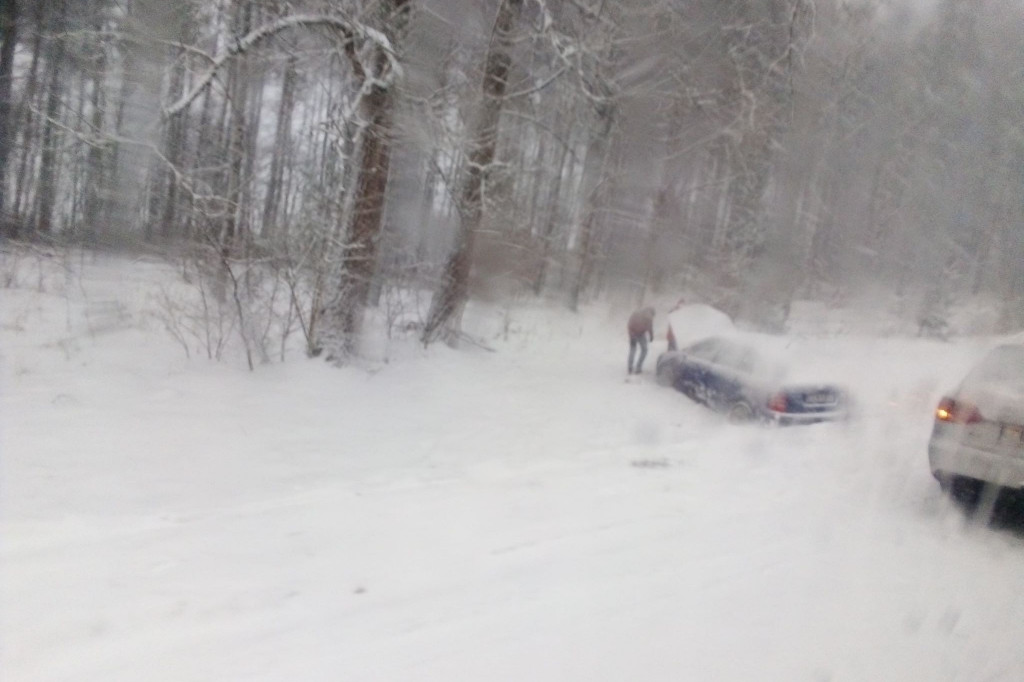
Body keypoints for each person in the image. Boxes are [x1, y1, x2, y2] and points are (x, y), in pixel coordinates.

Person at [627, 306, 655, 375]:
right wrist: (651, 336)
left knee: (633, 350)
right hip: (638, 334)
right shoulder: (648, 317)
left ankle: (631, 367)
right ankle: (637, 367)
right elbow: (650, 327)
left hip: (635, 333)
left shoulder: (636, 313)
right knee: (643, 350)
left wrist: (631, 333)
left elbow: (629, 323)